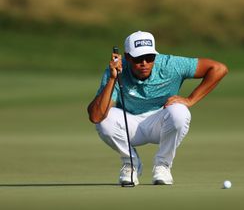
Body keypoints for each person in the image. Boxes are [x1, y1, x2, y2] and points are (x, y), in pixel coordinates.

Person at [87, 31, 228, 185]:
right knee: (104, 120)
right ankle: (130, 164)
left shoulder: (170, 64)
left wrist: (190, 99)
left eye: (150, 58)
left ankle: (163, 165)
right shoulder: (116, 71)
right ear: (127, 57)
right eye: (138, 59)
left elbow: (219, 69)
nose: (144, 63)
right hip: (130, 126)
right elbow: (95, 116)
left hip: (161, 124)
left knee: (180, 111)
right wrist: (113, 78)